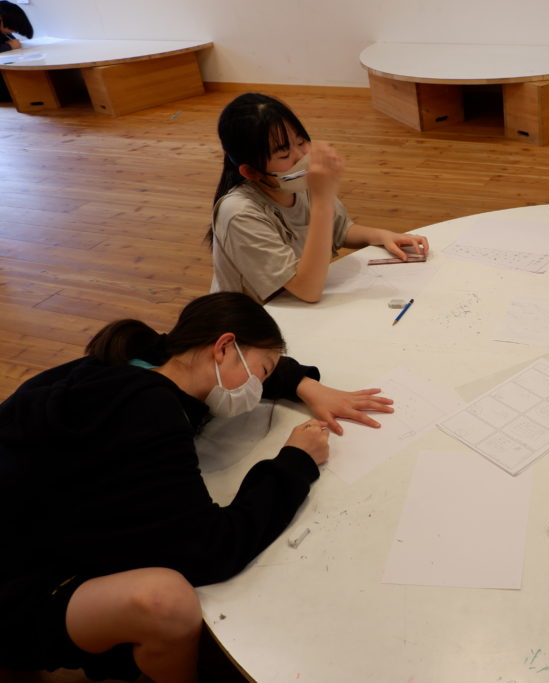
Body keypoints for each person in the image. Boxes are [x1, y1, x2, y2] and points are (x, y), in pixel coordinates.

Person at [0, 292, 394, 682]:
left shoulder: (140, 357)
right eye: (262, 372)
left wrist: (305, 384)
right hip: (16, 587)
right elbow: (212, 550)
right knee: (168, 602)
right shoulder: (149, 413)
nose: (259, 388)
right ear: (222, 348)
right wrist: (296, 461)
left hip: (26, 521)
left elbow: (251, 363)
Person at [207, 92, 430, 303]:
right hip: (257, 318)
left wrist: (382, 236)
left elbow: (340, 230)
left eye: (301, 142)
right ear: (251, 172)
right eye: (284, 154)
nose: (301, 157)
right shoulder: (238, 212)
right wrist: (322, 198)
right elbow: (307, 290)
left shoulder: (295, 182)